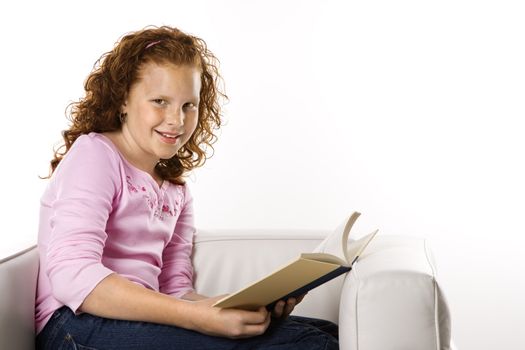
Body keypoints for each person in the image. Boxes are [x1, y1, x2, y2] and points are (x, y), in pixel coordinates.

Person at [35, 25, 339, 349]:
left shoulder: (176, 192)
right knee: (308, 344)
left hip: (141, 322)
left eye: (188, 105)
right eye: (160, 101)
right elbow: (73, 275)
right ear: (123, 99)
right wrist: (197, 317)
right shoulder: (95, 155)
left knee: (330, 332)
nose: (176, 120)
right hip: (75, 325)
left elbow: (176, 291)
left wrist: (226, 308)